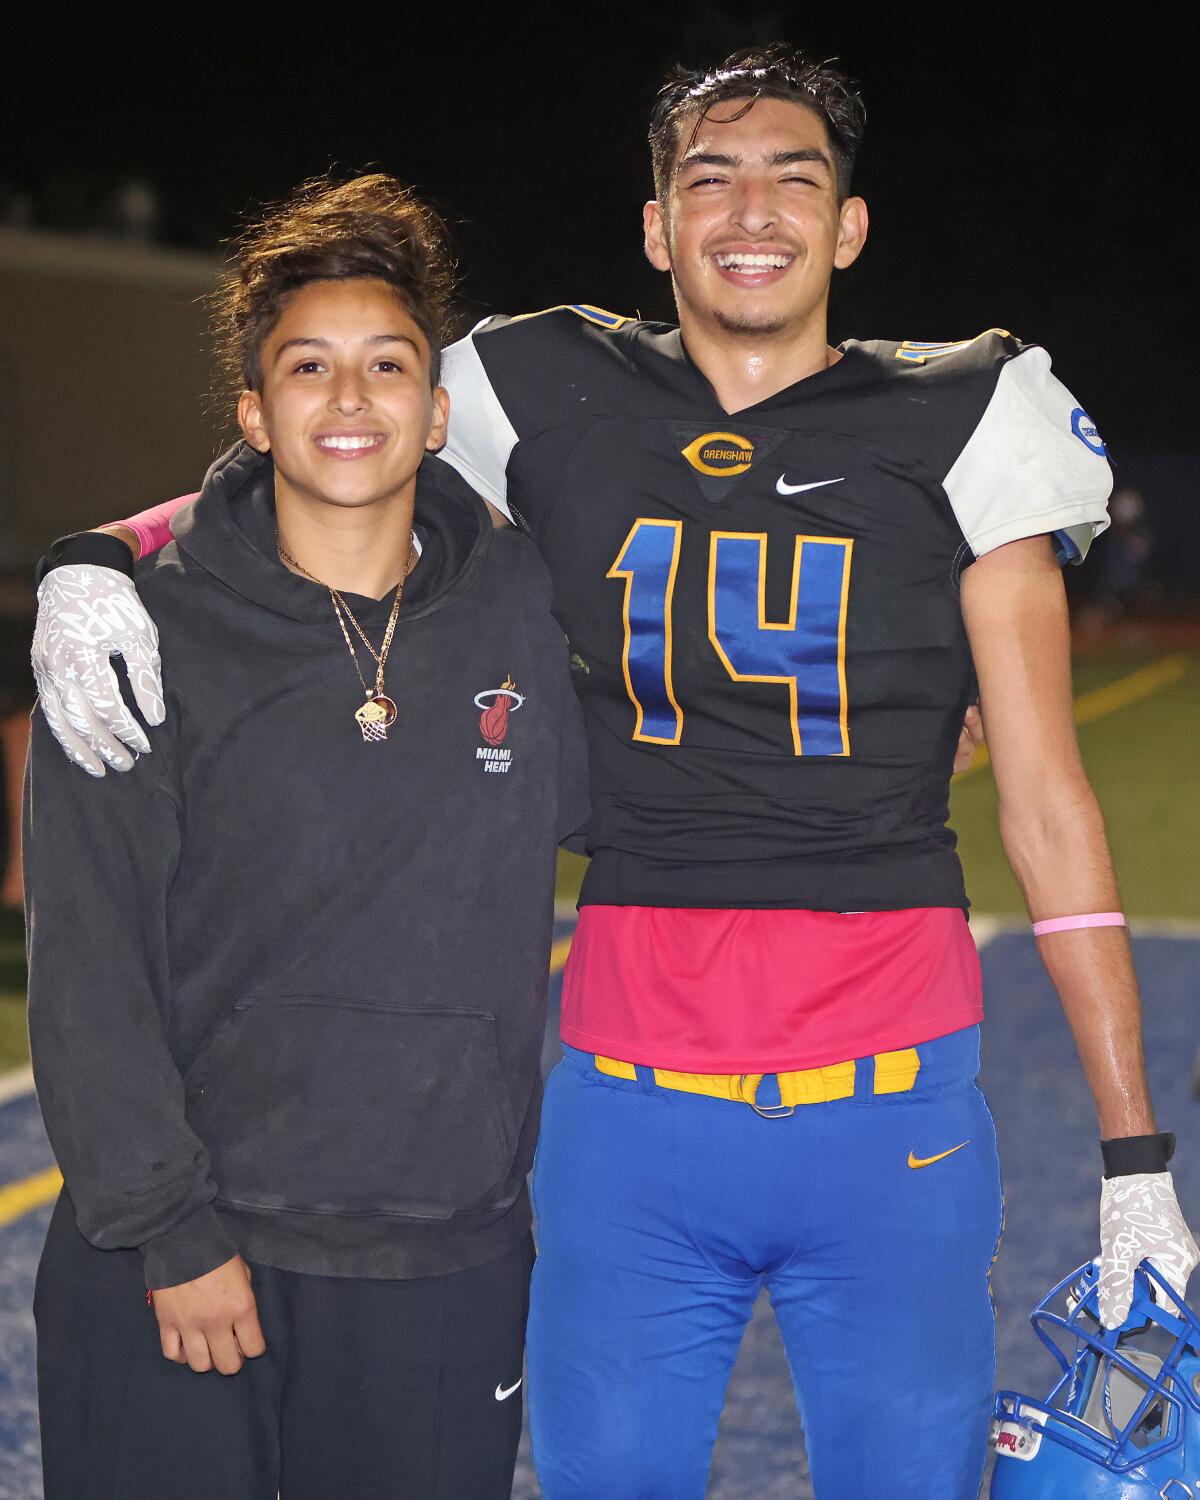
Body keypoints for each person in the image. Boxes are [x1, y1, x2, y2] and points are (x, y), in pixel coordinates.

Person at [29, 46, 1198, 1500]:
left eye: (795, 176)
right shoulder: (537, 381)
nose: (751, 207)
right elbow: (331, 442)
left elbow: (1047, 801)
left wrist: (1135, 1151)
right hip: (628, 1104)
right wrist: (108, 549)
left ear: (850, 227)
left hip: (892, 1096)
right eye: (710, 176)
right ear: (657, 230)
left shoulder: (970, 411)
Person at [24, 174, 586, 1500]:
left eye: (387, 365)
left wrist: (918, 713)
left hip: (440, 1263)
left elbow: (654, 792)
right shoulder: (131, 635)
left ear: (437, 412)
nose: (349, 400)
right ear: (253, 414)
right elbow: (90, 963)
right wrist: (170, 1232)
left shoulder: (518, 599)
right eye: (308, 367)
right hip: (190, 1251)